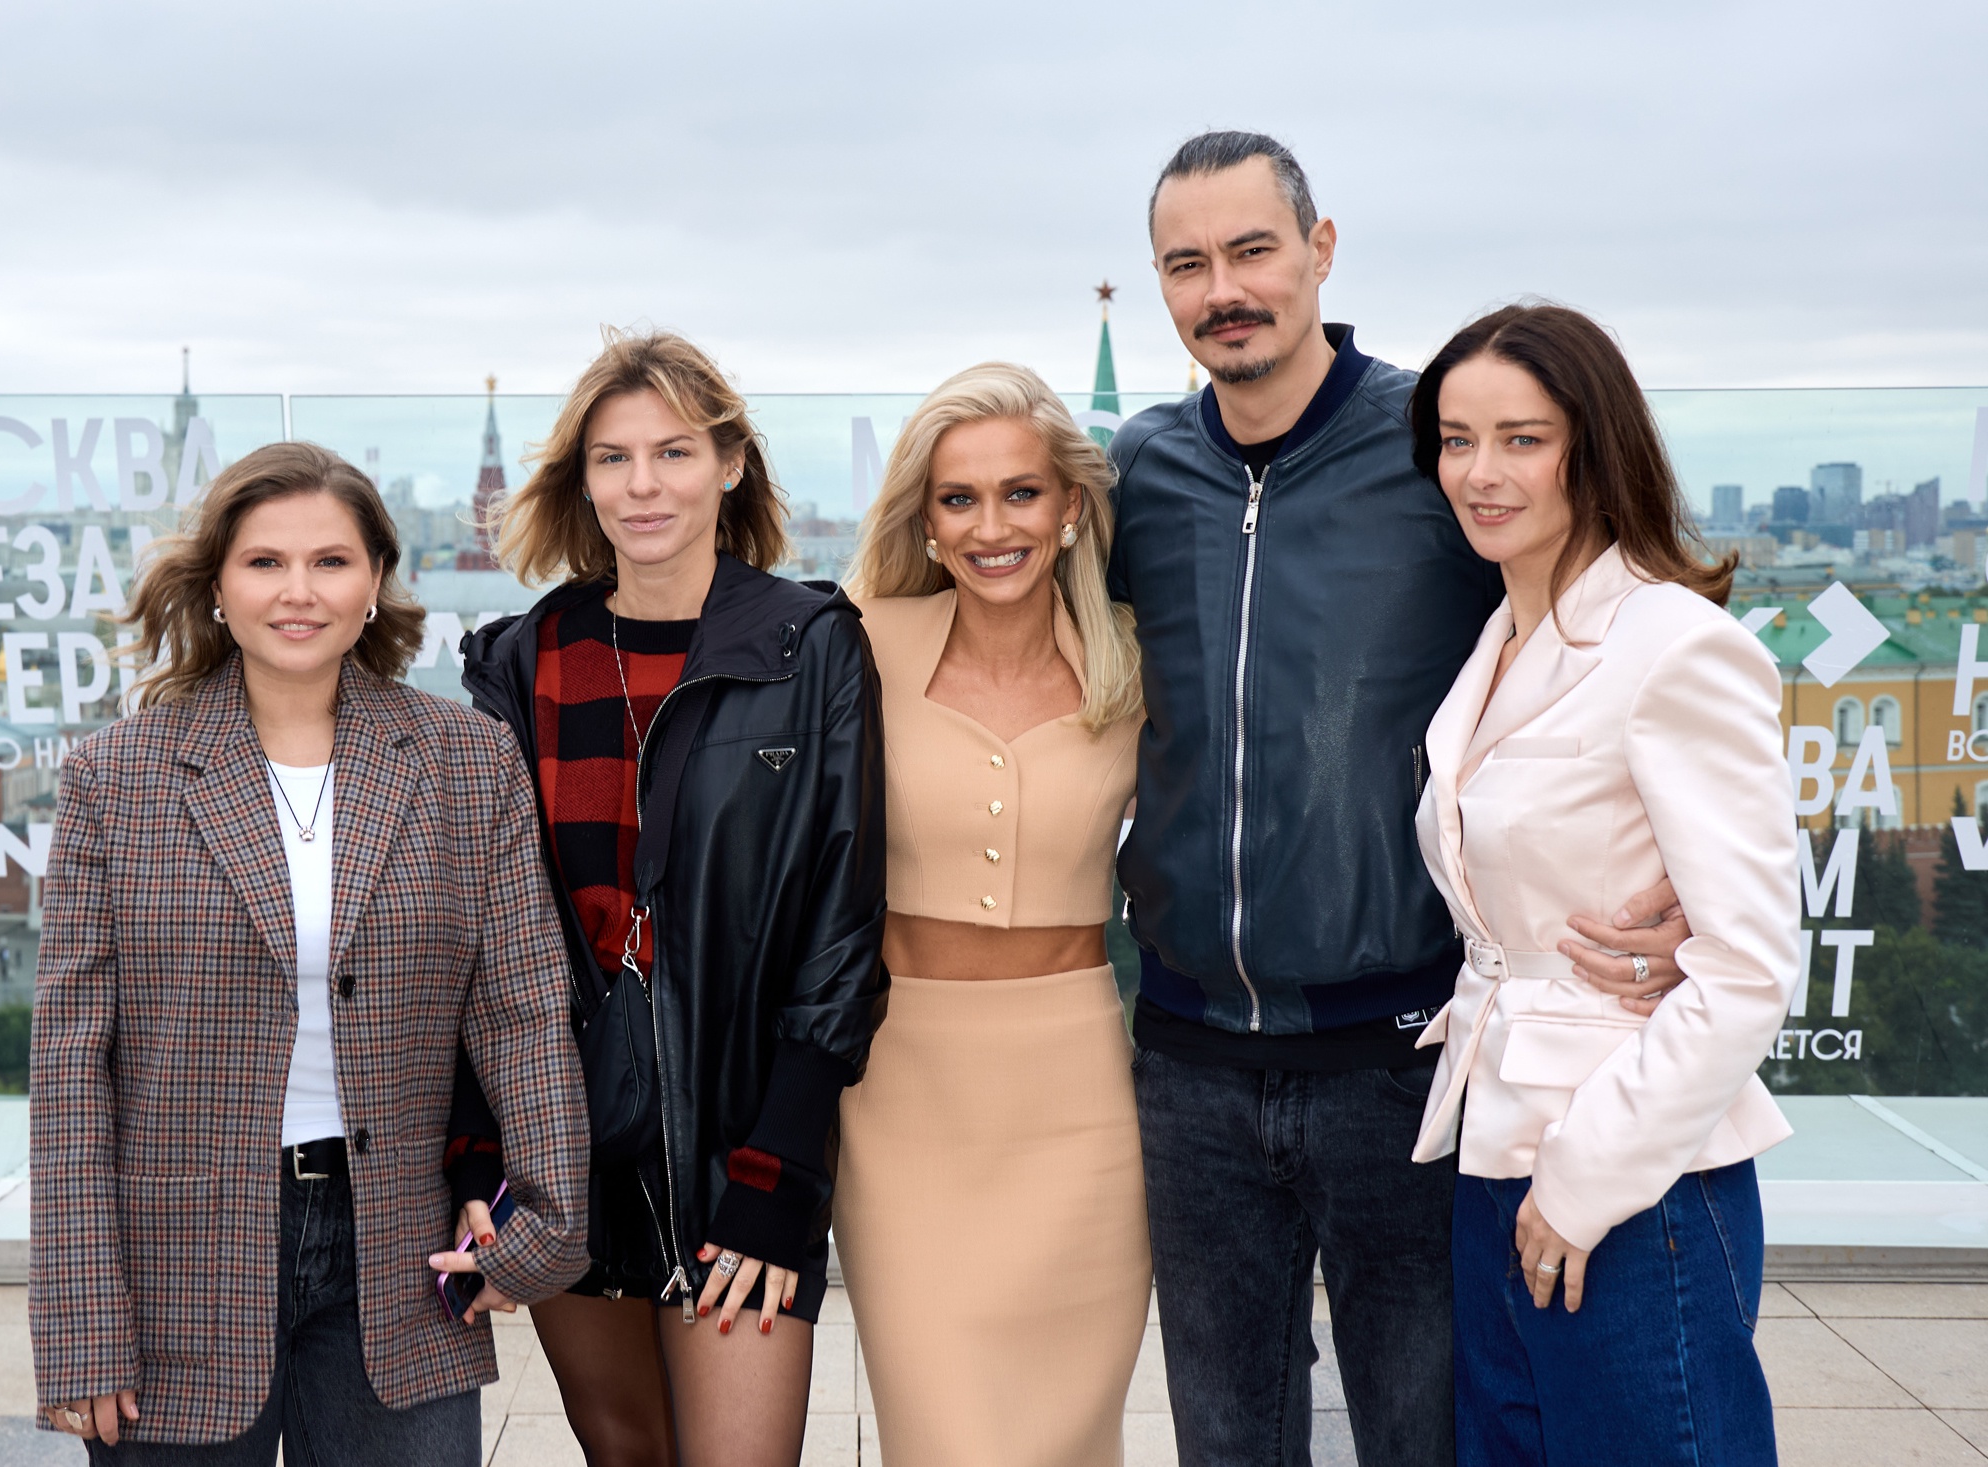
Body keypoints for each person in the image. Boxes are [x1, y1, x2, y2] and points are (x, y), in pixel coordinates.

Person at [1107, 131, 1696, 1465]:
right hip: (1189, 1059)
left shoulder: (1437, 446)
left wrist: (1683, 879)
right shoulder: (1141, 470)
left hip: (1407, 1055)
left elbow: (1630, 640)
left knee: (1426, 1437)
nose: (1223, 291)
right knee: (1227, 1442)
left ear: (1320, 250)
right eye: (1187, 264)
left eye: (1252, 250)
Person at [29, 442, 590, 1462]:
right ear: (216, 586)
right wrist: (81, 1322)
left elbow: (522, 1009)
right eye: (265, 562)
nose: (299, 591)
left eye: (331, 561)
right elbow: (72, 1064)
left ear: (375, 582)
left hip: (401, 1252)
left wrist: (544, 1223)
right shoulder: (117, 777)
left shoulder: (469, 760)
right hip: (177, 1266)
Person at [432, 329, 886, 1467]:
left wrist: (780, 1172)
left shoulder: (809, 646)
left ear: (729, 464)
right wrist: (482, 1157)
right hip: (565, 1141)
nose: (644, 485)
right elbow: (482, 934)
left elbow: (840, 928)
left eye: (674, 452)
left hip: (741, 1139)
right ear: (581, 481)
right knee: (626, 1452)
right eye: (613, 458)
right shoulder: (525, 659)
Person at [1405, 302, 1793, 1464]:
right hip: (1492, 1147)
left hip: (1629, 1171)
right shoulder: (1497, 640)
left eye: (1521, 439)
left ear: (1595, 448)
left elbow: (1746, 968)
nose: (1480, 473)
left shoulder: (1673, 645)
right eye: (1456, 439)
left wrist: (1587, 1180)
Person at [837, 363, 1147, 1466]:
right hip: (900, 1095)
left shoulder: (1138, 664)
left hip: (1080, 1102)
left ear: (1070, 507)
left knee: (1067, 1438)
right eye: (958, 499)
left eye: (1021, 493)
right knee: (945, 1435)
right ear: (924, 519)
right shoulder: (855, 645)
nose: (991, 526)